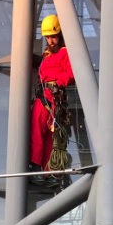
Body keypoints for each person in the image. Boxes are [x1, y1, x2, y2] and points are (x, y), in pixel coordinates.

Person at [30, 15, 74, 186]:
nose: (50, 40)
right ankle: (47, 174)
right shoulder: (47, 55)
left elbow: (71, 74)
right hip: (50, 97)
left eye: (53, 37)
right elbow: (43, 68)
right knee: (48, 135)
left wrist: (57, 82)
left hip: (50, 97)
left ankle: (35, 167)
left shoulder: (65, 53)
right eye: (48, 37)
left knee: (38, 130)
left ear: (60, 36)